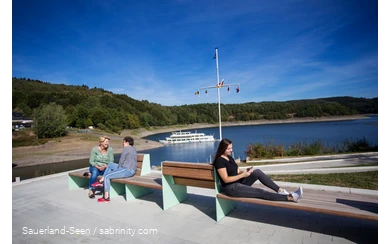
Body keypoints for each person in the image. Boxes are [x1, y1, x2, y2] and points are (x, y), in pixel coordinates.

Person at [213, 138, 303, 202]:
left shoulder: (229, 158)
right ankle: (290, 197)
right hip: (231, 188)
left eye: (231, 148)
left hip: (239, 183)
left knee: (257, 172)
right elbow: (226, 179)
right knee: (260, 192)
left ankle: (280, 191)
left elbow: (237, 170)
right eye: (228, 149)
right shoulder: (219, 161)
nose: (231, 150)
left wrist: (245, 172)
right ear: (223, 148)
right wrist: (243, 175)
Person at [92, 136, 138, 203]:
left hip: (127, 170)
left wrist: (117, 170)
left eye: (123, 142)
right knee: (110, 164)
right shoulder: (133, 149)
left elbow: (121, 160)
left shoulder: (126, 148)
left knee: (107, 176)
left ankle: (106, 197)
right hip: (128, 169)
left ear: (127, 142)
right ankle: (102, 180)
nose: (123, 144)